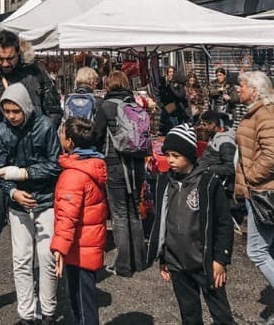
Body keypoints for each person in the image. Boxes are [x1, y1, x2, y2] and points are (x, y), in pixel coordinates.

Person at [0, 30, 62, 325]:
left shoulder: (35, 71)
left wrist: (39, 133)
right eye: (0, 58)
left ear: (20, 51)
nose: (5, 63)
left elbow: (54, 109)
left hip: (34, 163)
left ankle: (41, 301)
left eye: (10, 58)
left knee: (38, 236)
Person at [147, 124, 235, 325]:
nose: (170, 160)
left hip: (205, 263)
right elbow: (162, 223)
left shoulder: (208, 182)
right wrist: (163, 256)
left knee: (221, 314)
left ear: (189, 154)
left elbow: (223, 223)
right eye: (168, 154)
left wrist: (221, 259)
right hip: (178, 263)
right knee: (189, 315)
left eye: (176, 155)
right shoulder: (164, 183)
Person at [0, 82, 61, 325]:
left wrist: (23, 174)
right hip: (18, 203)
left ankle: (49, 311)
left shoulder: (45, 126)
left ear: (26, 107)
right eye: (7, 111)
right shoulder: (3, 130)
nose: (11, 116)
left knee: (46, 256)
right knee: (21, 259)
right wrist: (12, 192)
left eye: (15, 111)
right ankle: (27, 313)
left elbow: (55, 164)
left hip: (46, 200)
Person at [51, 116, 108, 325]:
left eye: (62, 134)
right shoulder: (94, 165)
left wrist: (59, 247)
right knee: (86, 299)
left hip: (79, 247)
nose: (60, 137)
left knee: (80, 303)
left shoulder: (73, 175)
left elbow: (67, 215)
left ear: (70, 142)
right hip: (90, 243)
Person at [94, 70, 146, 277]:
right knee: (134, 210)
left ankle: (123, 265)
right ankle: (139, 259)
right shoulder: (135, 104)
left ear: (108, 85)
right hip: (137, 164)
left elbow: (96, 135)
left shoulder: (106, 107)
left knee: (119, 214)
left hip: (115, 163)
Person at [234, 70, 274, 289]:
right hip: (259, 192)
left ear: (255, 91)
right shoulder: (257, 113)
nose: (239, 88)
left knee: (257, 251)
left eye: (243, 85)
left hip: (263, 192)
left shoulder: (265, 114)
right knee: (267, 249)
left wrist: (250, 176)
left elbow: (272, 154)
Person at [198, 110, 236, 191]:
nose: (203, 128)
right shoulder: (214, 136)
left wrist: (208, 169)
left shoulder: (225, 142)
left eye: (205, 125)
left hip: (222, 186)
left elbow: (230, 168)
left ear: (213, 124)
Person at [159, 66, 189, 133]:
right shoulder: (165, 81)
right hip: (167, 104)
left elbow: (180, 95)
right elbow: (162, 93)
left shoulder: (178, 82)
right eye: (169, 72)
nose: (171, 73)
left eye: (172, 72)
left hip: (176, 104)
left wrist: (172, 85)